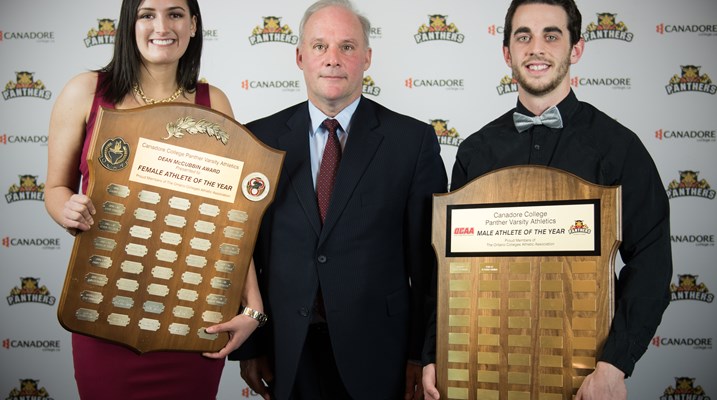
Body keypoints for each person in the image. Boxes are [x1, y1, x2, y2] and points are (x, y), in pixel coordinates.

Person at [421, 0, 672, 399]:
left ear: (576, 49)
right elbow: (450, 271)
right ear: (507, 52)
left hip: (585, 380)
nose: (536, 48)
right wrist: (434, 352)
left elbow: (652, 264)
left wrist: (615, 364)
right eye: (524, 36)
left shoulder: (619, 148)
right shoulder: (475, 152)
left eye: (551, 35)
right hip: (484, 373)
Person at [227, 0, 448, 399]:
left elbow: (429, 263)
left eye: (347, 46)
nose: (333, 59)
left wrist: (422, 353)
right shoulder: (258, 139)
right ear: (299, 57)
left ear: (367, 57)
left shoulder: (411, 142)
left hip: (382, 354)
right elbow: (243, 251)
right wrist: (252, 345)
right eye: (319, 46)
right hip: (286, 352)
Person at [45, 0, 264, 398]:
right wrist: (66, 207)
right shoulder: (86, 91)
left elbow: (233, 218)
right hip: (104, 309)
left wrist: (251, 305)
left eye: (175, 14)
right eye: (147, 13)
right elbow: (56, 188)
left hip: (192, 314)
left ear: (193, 25)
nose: (161, 26)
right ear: (131, 23)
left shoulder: (214, 102)